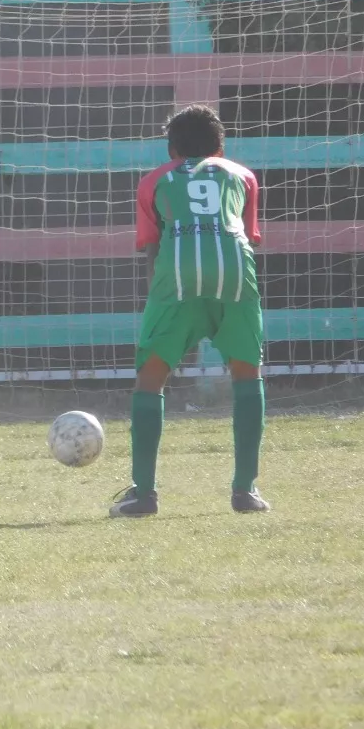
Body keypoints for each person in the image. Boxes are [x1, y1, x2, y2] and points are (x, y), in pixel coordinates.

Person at [110, 104, 270, 518]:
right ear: (221, 147)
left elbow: (152, 248)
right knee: (247, 372)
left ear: (171, 150)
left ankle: (144, 495)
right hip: (235, 275)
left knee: (151, 377)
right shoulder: (243, 176)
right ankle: (245, 491)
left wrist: (160, 303)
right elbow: (248, 235)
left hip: (177, 278)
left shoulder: (153, 181)